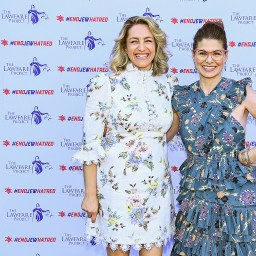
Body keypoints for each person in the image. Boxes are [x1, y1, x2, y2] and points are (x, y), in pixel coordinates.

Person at [166, 21, 256, 256]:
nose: (209, 60)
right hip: (197, 198)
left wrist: (248, 156)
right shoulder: (180, 97)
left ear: (226, 55)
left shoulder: (240, 92)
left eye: (216, 53)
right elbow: (161, 136)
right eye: (203, 53)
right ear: (193, 54)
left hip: (238, 198)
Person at [73, 16, 178, 256]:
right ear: (124, 47)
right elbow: (90, 146)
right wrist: (90, 196)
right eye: (134, 41)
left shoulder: (168, 84)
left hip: (156, 190)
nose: (142, 48)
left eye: (148, 41)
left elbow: (165, 132)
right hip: (116, 189)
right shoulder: (104, 84)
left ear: (157, 45)